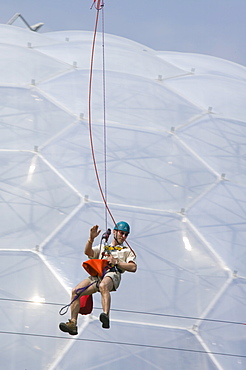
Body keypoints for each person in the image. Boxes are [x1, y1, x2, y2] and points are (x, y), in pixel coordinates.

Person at [59, 221, 137, 335]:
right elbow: (88, 252)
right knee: (75, 291)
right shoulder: (103, 247)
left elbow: (133, 267)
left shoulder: (127, 251)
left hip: (112, 274)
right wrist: (91, 239)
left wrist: (117, 263)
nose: (123, 236)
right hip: (97, 275)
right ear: (114, 232)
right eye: (121, 233)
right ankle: (73, 323)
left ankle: (106, 315)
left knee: (103, 285)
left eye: (126, 234)